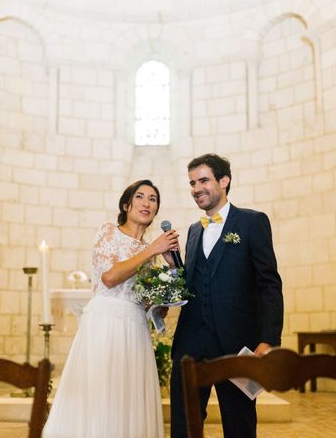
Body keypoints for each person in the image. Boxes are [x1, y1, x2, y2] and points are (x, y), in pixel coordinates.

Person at [43, 179, 179, 438]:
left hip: (136, 328)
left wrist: (170, 276)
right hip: (105, 323)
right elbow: (109, 277)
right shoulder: (109, 231)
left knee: (128, 395)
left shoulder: (149, 250)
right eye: (140, 197)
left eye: (153, 199)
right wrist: (153, 249)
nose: (146, 203)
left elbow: (149, 302)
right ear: (127, 204)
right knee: (101, 393)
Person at [170, 153, 284, 438]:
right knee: (184, 423)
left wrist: (268, 340)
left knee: (239, 424)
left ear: (224, 180)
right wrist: (173, 273)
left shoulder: (252, 222)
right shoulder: (194, 231)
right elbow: (195, 284)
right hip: (191, 342)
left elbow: (269, 284)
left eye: (204, 180)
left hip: (237, 341)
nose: (196, 188)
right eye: (192, 182)